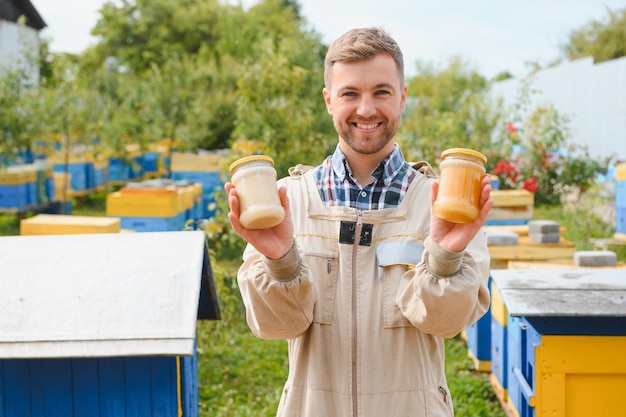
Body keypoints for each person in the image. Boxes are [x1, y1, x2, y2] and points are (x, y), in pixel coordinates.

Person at [225, 27, 493, 417]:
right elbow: (275, 326)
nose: (366, 109)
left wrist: (444, 255)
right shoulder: (283, 202)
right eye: (350, 93)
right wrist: (282, 259)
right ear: (329, 100)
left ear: (402, 98)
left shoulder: (447, 204)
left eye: (381, 92)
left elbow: (446, 323)